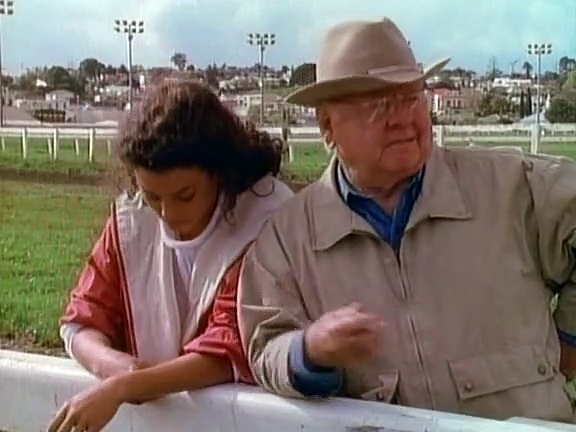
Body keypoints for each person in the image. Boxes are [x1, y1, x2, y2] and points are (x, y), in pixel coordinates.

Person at [238, 17, 576, 423]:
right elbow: (265, 345)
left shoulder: (511, 187)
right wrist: (309, 351)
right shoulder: (288, 238)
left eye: (411, 97)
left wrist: (569, 338)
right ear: (327, 125)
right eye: (377, 105)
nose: (401, 118)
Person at [48, 80, 293, 432]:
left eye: (185, 195)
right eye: (152, 196)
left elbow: (231, 347)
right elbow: (83, 319)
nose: (167, 214)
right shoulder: (131, 218)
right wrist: (118, 367)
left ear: (220, 171)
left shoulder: (266, 218)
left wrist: (125, 387)